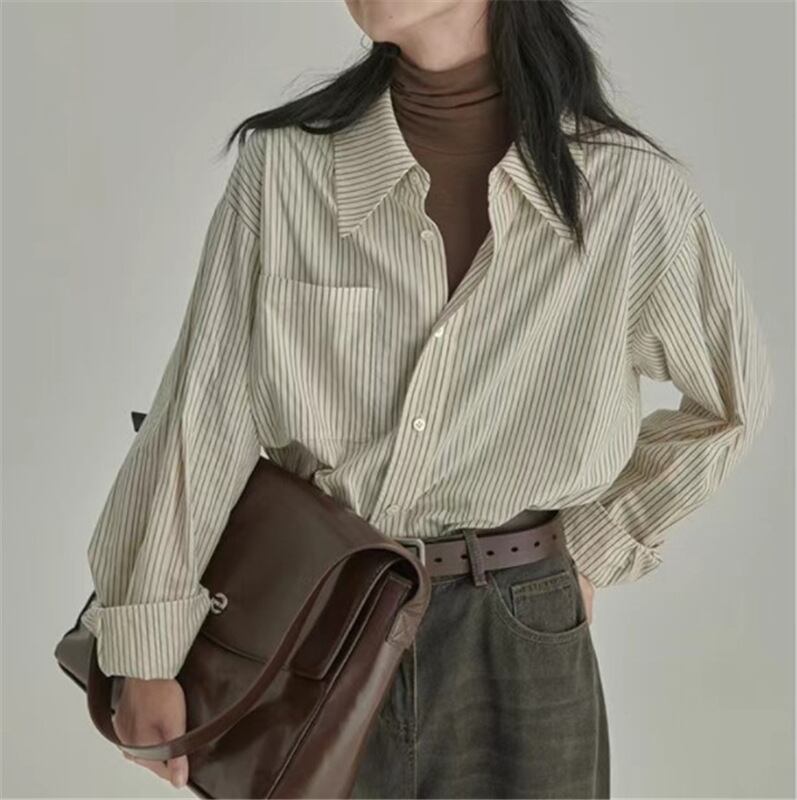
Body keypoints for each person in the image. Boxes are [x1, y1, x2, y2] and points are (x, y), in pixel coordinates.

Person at [80, 1, 775, 798]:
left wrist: (592, 547)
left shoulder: (627, 192)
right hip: (317, 619)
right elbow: (202, 417)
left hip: (520, 629)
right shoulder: (286, 169)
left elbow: (730, 401)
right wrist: (145, 647)